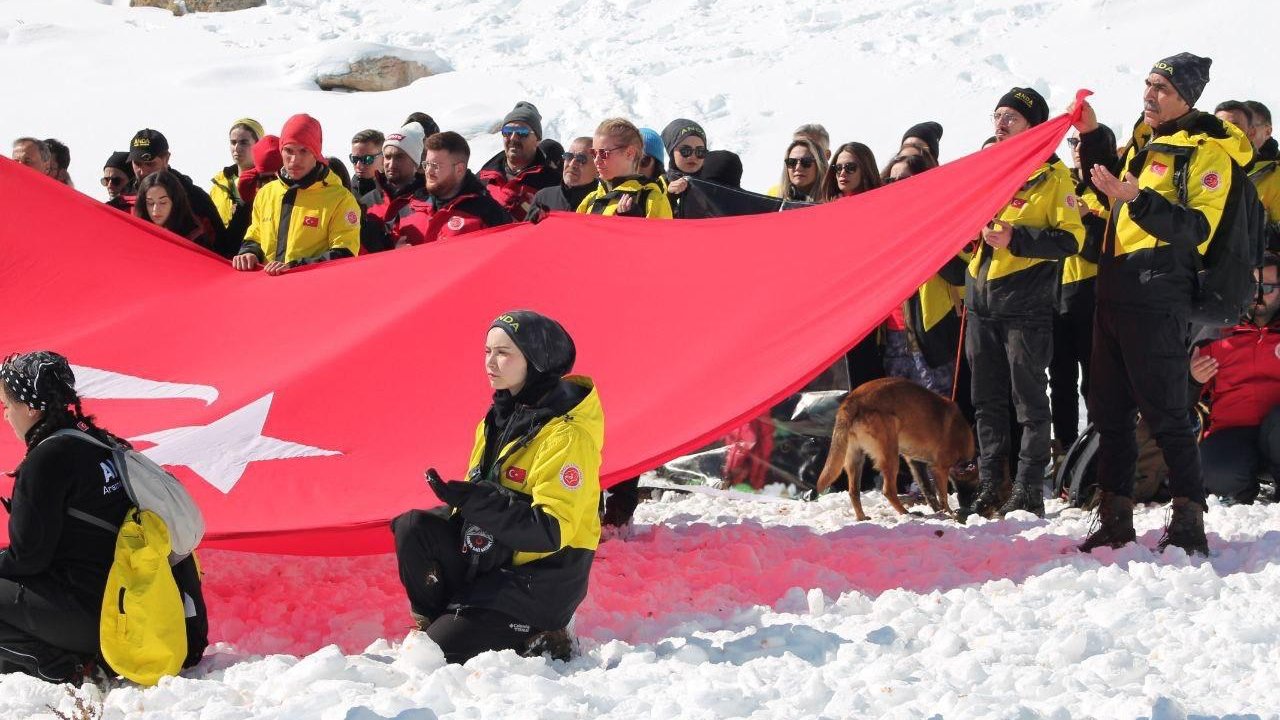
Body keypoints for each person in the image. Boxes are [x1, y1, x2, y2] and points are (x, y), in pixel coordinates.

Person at [1075, 52, 1254, 554]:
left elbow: (1198, 228)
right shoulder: (1144, 138)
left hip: (1158, 290)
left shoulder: (1208, 150)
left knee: (1168, 414)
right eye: (1149, 84)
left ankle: (1189, 523)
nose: (1150, 95)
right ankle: (1114, 518)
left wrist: (1138, 200)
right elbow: (1112, 192)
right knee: (1108, 412)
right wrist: (1091, 139)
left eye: (1163, 89)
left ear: (1187, 98)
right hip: (1114, 287)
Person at [391, 311, 602, 664]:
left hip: (542, 576)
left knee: (438, 657)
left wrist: (479, 501)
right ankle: (442, 624)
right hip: (495, 558)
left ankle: (547, 634)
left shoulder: (567, 434)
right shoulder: (499, 416)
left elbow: (550, 532)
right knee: (414, 527)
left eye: (504, 353)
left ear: (536, 359)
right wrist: (463, 502)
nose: (491, 362)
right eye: (487, 351)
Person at [965, 86, 1084, 520]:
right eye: (996, 115)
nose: (1000, 124)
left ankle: (1029, 486)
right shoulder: (990, 170)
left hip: (1025, 305)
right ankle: (991, 483)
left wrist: (1016, 238)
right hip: (982, 302)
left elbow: (1072, 239)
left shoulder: (1055, 179)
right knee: (986, 401)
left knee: (1029, 401)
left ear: (1033, 127)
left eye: (1011, 118)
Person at [1191, 254, 1280, 504]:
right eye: (1251, 287)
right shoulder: (1216, 333)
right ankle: (1241, 492)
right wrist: (1193, 378)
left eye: (1269, 288)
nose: (1258, 295)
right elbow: (1181, 397)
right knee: (1216, 473)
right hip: (1232, 432)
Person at [1050, 124, 1115, 457]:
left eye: (1085, 141)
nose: (1077, 147)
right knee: (1059, 379)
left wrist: (1089, 217)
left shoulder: (1105, 191)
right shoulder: (1063, 185)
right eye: (1073, 141)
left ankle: (1097, 448)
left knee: (1094, 377)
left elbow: (1096, 249)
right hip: (1056, 290)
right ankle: (1064, 448)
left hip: (1092, 290)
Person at [233, 114, 361, 274]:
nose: (294, 160)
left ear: (315, 153)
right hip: (267, 289)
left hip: (314, 290)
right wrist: (248, 253)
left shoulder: (340, 199)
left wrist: (293, 268)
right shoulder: (266, 193)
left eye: (303, 151)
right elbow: (255, 235)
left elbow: (345, 253)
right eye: (288, 150)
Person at [397, 131, 512, 246]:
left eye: (435, 166)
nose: (428, 171)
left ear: (459, 169)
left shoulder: (488, 212)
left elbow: (506, 254)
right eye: (427, 164)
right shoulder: (410, 206)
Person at [127, 129, 230, 253]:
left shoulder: (194, 197)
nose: (142, 171)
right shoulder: (123, 198)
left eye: (150, 164)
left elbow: (221, 247)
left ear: (166, 158)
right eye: (137, 164)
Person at [477, 102, 560, 221]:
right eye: (507, 131)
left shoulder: (552, 184)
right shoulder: (483, 178)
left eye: (522, 132)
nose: (513, 138)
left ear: (537, 139)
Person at [577, 118, 673, 218]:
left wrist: (633, 223)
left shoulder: (652, 200)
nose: (596, 160)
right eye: (594, 153)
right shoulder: (590, 199)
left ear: (629, 153)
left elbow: (663, 234)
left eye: (603, 153)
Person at [360, 122, 427, 251]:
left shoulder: (430, 200)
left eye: (399, 157)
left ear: (415, 161)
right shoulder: (366, 203)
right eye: (388, 157)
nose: (391, 163)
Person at [135, 170, 217, 250]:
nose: (155, 210)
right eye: (150, 203)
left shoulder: (196, 236)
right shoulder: (138, 233)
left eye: (163, 202)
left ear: (175, 202)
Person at [209, 118, 264, 227]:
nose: (237, 148)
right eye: (233, 142)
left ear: (259, 144)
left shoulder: (269, 183)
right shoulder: (219, 185)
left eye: (244, 142)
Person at [529, 137, 598, 221]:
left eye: (581, 159)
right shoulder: (543, 197)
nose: (572, 164)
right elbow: (525, 232)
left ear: (597, 167)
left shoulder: (604, 203)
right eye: (569, 156)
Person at [1242, 101, 1279, 250]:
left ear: (1268, 131)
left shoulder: (1275, 173)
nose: (1243, 133)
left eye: (1251, 126)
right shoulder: (1218, 168)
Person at [768, 138, 828, 202]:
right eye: (791, 162)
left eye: (806, 161)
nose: (798, 168)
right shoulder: (773, 200)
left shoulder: (833, 201)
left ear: (819, 166)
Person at [349, 129, 385, 200]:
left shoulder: (396, 194)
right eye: (354, 159)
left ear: (384, 159)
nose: (358, 165)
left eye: (367, 159)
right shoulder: (345, 194)